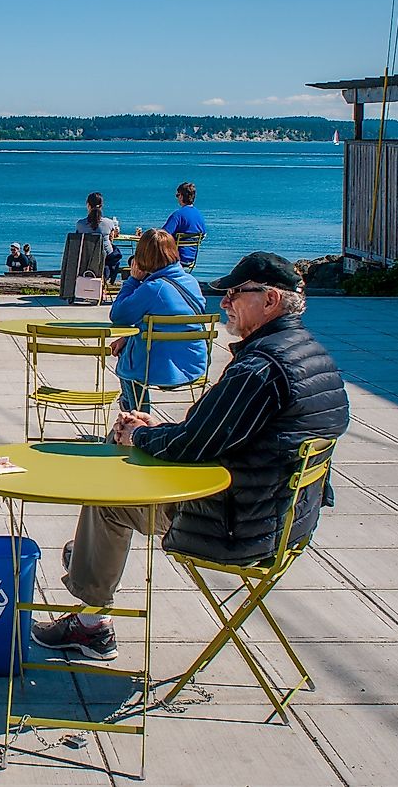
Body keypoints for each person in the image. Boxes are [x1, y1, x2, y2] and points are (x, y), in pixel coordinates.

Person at [33, 252, 349, 661]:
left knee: (108, 498)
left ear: (270, 300)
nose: (225, 302)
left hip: (237, 524)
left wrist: (141, 435)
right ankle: (87, 558)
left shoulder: (261, 368)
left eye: (236, 294)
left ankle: (91, 625)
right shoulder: (313, 355)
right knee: (126, 454)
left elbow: (193, 447)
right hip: (287, 518)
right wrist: (153, 432)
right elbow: (215, 435)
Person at [109, 229, 207, 412]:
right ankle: (131, 407)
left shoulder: (154, 288)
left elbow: (118, 315)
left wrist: (132, 280)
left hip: (160, 370)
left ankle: (137, 412)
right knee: (131, 344)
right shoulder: (191, 282)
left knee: (127, 362)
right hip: (194, 364)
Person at [76, 192, 122, 283]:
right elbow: (111, 240)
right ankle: (106, 281)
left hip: (86, 261)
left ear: (88, 206)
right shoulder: (109, 223)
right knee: (115, 252)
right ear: (101, 206)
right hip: (105, 260)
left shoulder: (80, 224)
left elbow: (78, 241)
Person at [162, 181, 206, 268]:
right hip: (190, 259)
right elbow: (203, 235)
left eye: (177, 195)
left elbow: (162, 235)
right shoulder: (199, 215)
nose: (177, 198)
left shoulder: (178, 215)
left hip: (174, 259)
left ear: (181, 196)